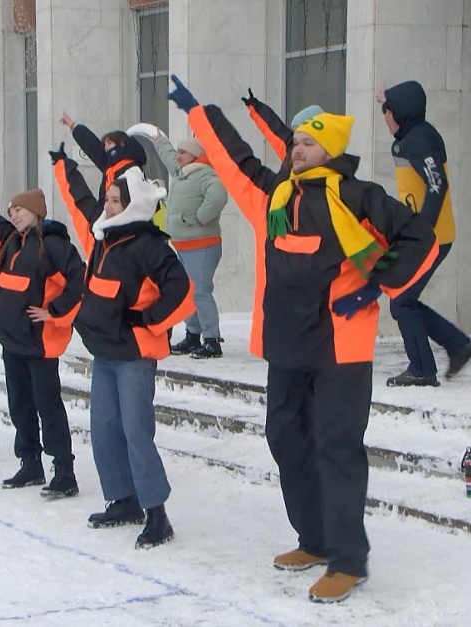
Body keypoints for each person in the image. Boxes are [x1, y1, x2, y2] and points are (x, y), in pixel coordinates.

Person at [167, 76, 437, 602]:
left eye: (307, 142)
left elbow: (419, 238)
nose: (296, 149)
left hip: (340, 346)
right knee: (286, 440)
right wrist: (200, 113)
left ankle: (348, 559)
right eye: (294, 143)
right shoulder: (276, 196)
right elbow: (237, 160)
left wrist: (375, 287)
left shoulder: (361, 196)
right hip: (289, 345)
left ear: (330, 149)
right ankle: (313, 539)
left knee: (336, 449)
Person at [52, 146, 194, 549]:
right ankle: (123, 499)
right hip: (104, 352)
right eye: (109, 200)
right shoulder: (104, 240)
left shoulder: (150, 244)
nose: (109, 206)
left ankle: (157, 514)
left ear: (133, 203)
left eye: (116, 200)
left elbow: (182, 292)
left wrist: (148, 320)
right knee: (105, 430)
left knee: (136, 433)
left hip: (134, 355)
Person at [0, 157, 86, 497]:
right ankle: (30, 463)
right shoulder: (8, 241)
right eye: (12, 209)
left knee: (48, 406)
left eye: (20, 209)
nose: (13, 214)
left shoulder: (56, 245)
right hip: (11, 339)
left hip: (40, 342)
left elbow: (80, 281)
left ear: (36, 211)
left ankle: (64, 470)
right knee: (20, 404)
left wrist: (55, 312)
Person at [375, 80, 471, 386]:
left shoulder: (419, 140)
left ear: (402, 113)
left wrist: (422, 228)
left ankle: (422, 368)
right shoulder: (413, 134)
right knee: (406, 298)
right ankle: (457, 346)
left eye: (389, 112)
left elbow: (437, 185)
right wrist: (386, 96)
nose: (385, 119)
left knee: (402, 300)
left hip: (430, 236)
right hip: (427, 234)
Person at [152, 132, 229, 358]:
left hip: (202, 244)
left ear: (194, 155)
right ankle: (193, 335)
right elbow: (167, 156)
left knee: (201, 292)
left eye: (182, 152)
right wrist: (159, 140)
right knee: (189, 292)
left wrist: (201, 217)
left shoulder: (205, 173)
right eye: (178, 152)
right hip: (184, 244)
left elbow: (218, 196)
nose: (178, 156)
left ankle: (212, 339)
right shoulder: (181, 173)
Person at [56, 112, 148, 255]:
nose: (106, 148)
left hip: (123, 230)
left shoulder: (132, 170)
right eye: (105, 145)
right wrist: (74, 127)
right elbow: (93, 148)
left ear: (122, 144)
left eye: (109, 144)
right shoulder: (111, 167)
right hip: (106, 221)